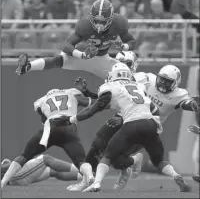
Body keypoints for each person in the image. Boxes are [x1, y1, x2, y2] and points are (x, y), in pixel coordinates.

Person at [68, 52, 199, 191]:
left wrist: (193, 105)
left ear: (176, 83)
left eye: (168, 81)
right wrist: (89, 93)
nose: (163, 83)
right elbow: (107, 98)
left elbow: (186, 103)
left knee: (115, 158)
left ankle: (131, 163)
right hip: (128, 119)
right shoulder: (145, 79)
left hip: (140, 122)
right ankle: (85, 181)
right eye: (162, 79)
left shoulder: (179, 94)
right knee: (98, 144)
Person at [15, 0, 136, 80]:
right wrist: (82, 55)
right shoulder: (85, 24)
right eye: (96, 20)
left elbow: (132, 41)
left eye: (102, 22)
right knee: (58, 60)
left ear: (111, 18)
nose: (99, 25)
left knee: (127, 77)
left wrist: (123, 47)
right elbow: (67, 45)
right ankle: (27, 67)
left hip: (102, 59)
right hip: (82, 56)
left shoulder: (119, 23)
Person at [1, 88, 94, 189]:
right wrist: (88, 93)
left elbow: (43, 120)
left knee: (24, 156)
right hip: (68, 127)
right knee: (81, 162)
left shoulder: (41, 101)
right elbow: (96, 103)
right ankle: (90, 175)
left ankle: (3, 182)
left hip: (50, 127)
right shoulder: (71, 95)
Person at [1, 154, 82, 186]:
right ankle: (83, 169)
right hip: (14, 177)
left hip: (15, 177)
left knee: (53, 171)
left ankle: (85, 177)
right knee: (45, 159)